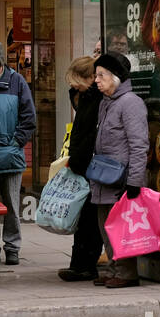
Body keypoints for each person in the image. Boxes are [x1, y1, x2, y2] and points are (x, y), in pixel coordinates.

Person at [85, 53, 148, 288]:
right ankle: (114, 268)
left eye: (101, 75)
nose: (97, 80)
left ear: (116, 77)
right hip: (103, 177)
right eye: (96, 75)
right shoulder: (106, 102)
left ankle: (127, 272)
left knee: (122, 227)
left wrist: (135, 181)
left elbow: (139, 144)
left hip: (121, 180)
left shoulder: (130, 103)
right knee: (106, 227)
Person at [58, 55, 103, 282]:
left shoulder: (95, 100)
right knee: (84, 218)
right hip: (81, 163)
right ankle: (79, 264)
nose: (72, 85)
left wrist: (78, 160)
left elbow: (87, 134)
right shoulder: (84, 97)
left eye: (76, 80)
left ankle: (86, 265)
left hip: (88, 164)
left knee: (89, 219)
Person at [0, 41, 36, 266]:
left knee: (11, 203)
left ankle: (12, 247)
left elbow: (29, 118)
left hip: (10, 153)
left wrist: (15, 142)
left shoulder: (17, 82)